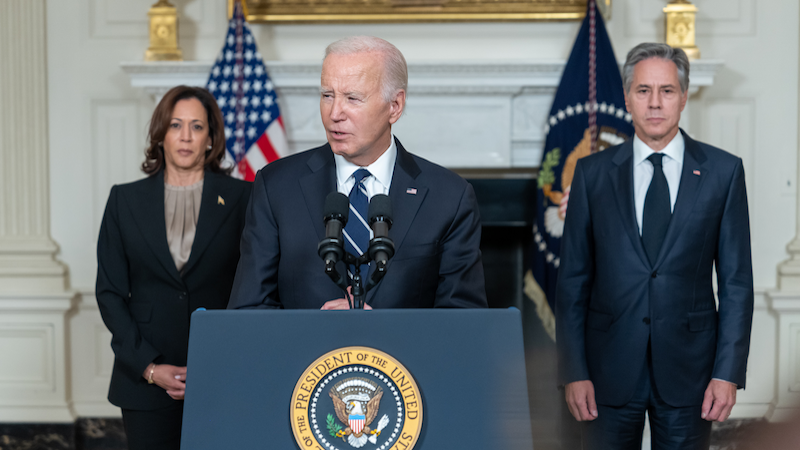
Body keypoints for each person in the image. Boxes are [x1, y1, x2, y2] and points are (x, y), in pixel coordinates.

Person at [556, 43, 754, 449]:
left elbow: (736, 283)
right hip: (605, 372)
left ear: (683, 97)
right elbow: (573, 281)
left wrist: (727, 373)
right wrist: (573, 371)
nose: (655, 103)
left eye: (666, 90)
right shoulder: (591, 175)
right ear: (628, 98)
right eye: (643, 91)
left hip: (691, 373)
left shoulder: (723, 172)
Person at [227, 36, 487, 310]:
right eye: (328, 95)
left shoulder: (449, 198)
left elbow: (463, 323)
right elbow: (248, 311)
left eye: (352, 98)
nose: (334, 113)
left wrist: (379, 332)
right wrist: (314, 334)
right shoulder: (276, 186)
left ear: (394, 106)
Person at [96, 85, 251, 450]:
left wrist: (223, 358)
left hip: (221, 376)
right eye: (175, 125)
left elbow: (253, 286)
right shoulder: (124, 200)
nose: (185, 136)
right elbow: (110, 294)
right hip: (144, 381)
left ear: (211, 138)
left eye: (197, 127)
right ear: (160, 134)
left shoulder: (243, 197)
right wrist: (149, 368)